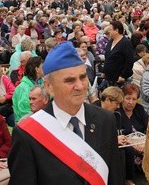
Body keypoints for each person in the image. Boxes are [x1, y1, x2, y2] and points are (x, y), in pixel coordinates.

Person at [8, 41, 123, 184]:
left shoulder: (105, 119)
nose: (80, 86)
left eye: (82, 77)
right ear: (49, 87)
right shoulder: (27, 134)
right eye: (70, 80)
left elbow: (114, 176)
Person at [118, 83, 148, 185]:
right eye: (128, 98)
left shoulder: (139, 109)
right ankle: (128, 179)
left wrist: (146, 142)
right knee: (129, 150)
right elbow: (118, 134)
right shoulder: (117, 113)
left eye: (134, 99)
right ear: (122, 98)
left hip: (141, 141)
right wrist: (134, 144)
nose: (131, 102)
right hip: (126, 143)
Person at [13, 56, 44, 123]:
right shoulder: (24, 88)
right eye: (43, 67)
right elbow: (24, 111)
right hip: (26, 122)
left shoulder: (41, 82)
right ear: (37, 69)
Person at [103, 20, 134, 86]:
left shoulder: (126, 43)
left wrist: (123, 76)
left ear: (116, 30)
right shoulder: (110, 41)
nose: (109, 31)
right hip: (109, 78)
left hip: (120, 80)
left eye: (110, 29)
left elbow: (129, 61)